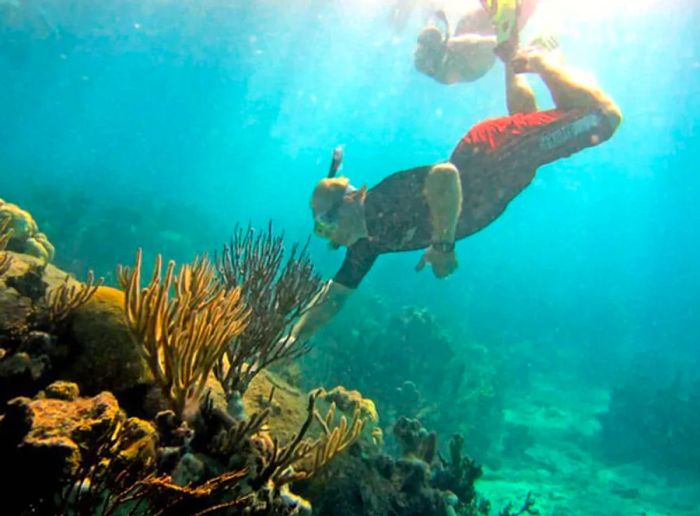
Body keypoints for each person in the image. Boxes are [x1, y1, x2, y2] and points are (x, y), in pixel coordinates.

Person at [290, 45, 622, 343]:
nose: (329, 234)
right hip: (500, 175)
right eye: (321, 229)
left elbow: (445, 176)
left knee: (603, 119)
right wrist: (291, 339)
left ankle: (544, 60)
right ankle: (513, 54)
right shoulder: (365, 246)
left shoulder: (382, 200)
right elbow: (333, 298)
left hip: (494, 155)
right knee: (530, 121)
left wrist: (443, 244)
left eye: (329, 221)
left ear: (351, 199)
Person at [414, 0, 538, 84]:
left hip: (465, 61)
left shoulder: (454, 40)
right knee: (505, 33)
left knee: (503, 31)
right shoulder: (458, 46)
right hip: (469, 63)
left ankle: (511, 39)